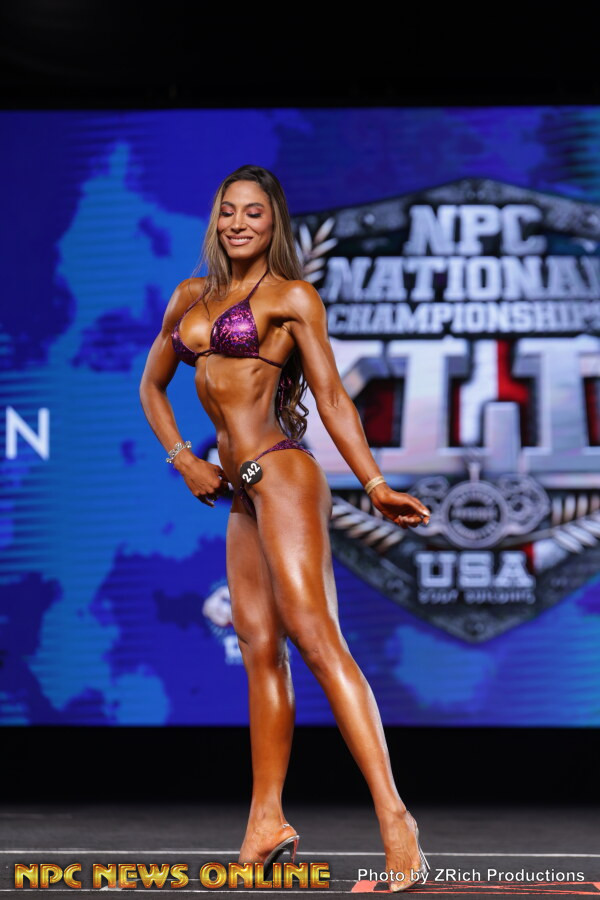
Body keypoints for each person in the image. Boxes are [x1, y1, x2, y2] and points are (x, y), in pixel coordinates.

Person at [139, 164, 432, 892]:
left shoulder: (292, 297)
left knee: (316, 639)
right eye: (228, 212)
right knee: (259, 649)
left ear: (274, 224)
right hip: (240, 489)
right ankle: (265, 822)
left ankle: (398, 825)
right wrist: (184, 460)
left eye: (254, 214)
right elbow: (152, 386)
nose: (239, 224)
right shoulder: (190, 297)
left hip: (283, 474)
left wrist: (374, 483)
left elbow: (331, 397)